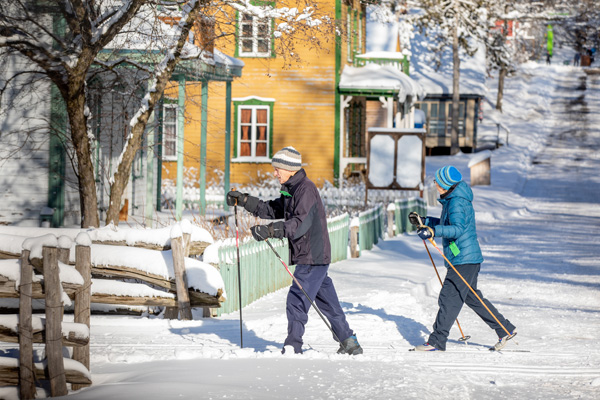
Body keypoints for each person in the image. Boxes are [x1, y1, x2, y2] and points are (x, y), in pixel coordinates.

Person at [226, 146, 362, 356]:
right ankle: (348, 340)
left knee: (296, 299)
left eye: (277, 168)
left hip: (312, 256)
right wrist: (245, 201)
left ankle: (293, 344)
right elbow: (272, 209)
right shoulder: (292, 189)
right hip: (313, 256)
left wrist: (270, 231)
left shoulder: (305, 190)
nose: (274, 173)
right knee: (327, 301)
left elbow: (299, 223)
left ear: (290, 169)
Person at [409, 166, 516, 352]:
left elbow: (457, 229)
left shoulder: (456, 202)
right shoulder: (453, 199)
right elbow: (448, 224)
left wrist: (434, 231)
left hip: (464, 259)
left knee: (448, 297)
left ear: (445, 184)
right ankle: (504, 328)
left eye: (437, 181)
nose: (434, 183)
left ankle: (436, 341)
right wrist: (425, 221)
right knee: (472, 297)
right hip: (467, 258)